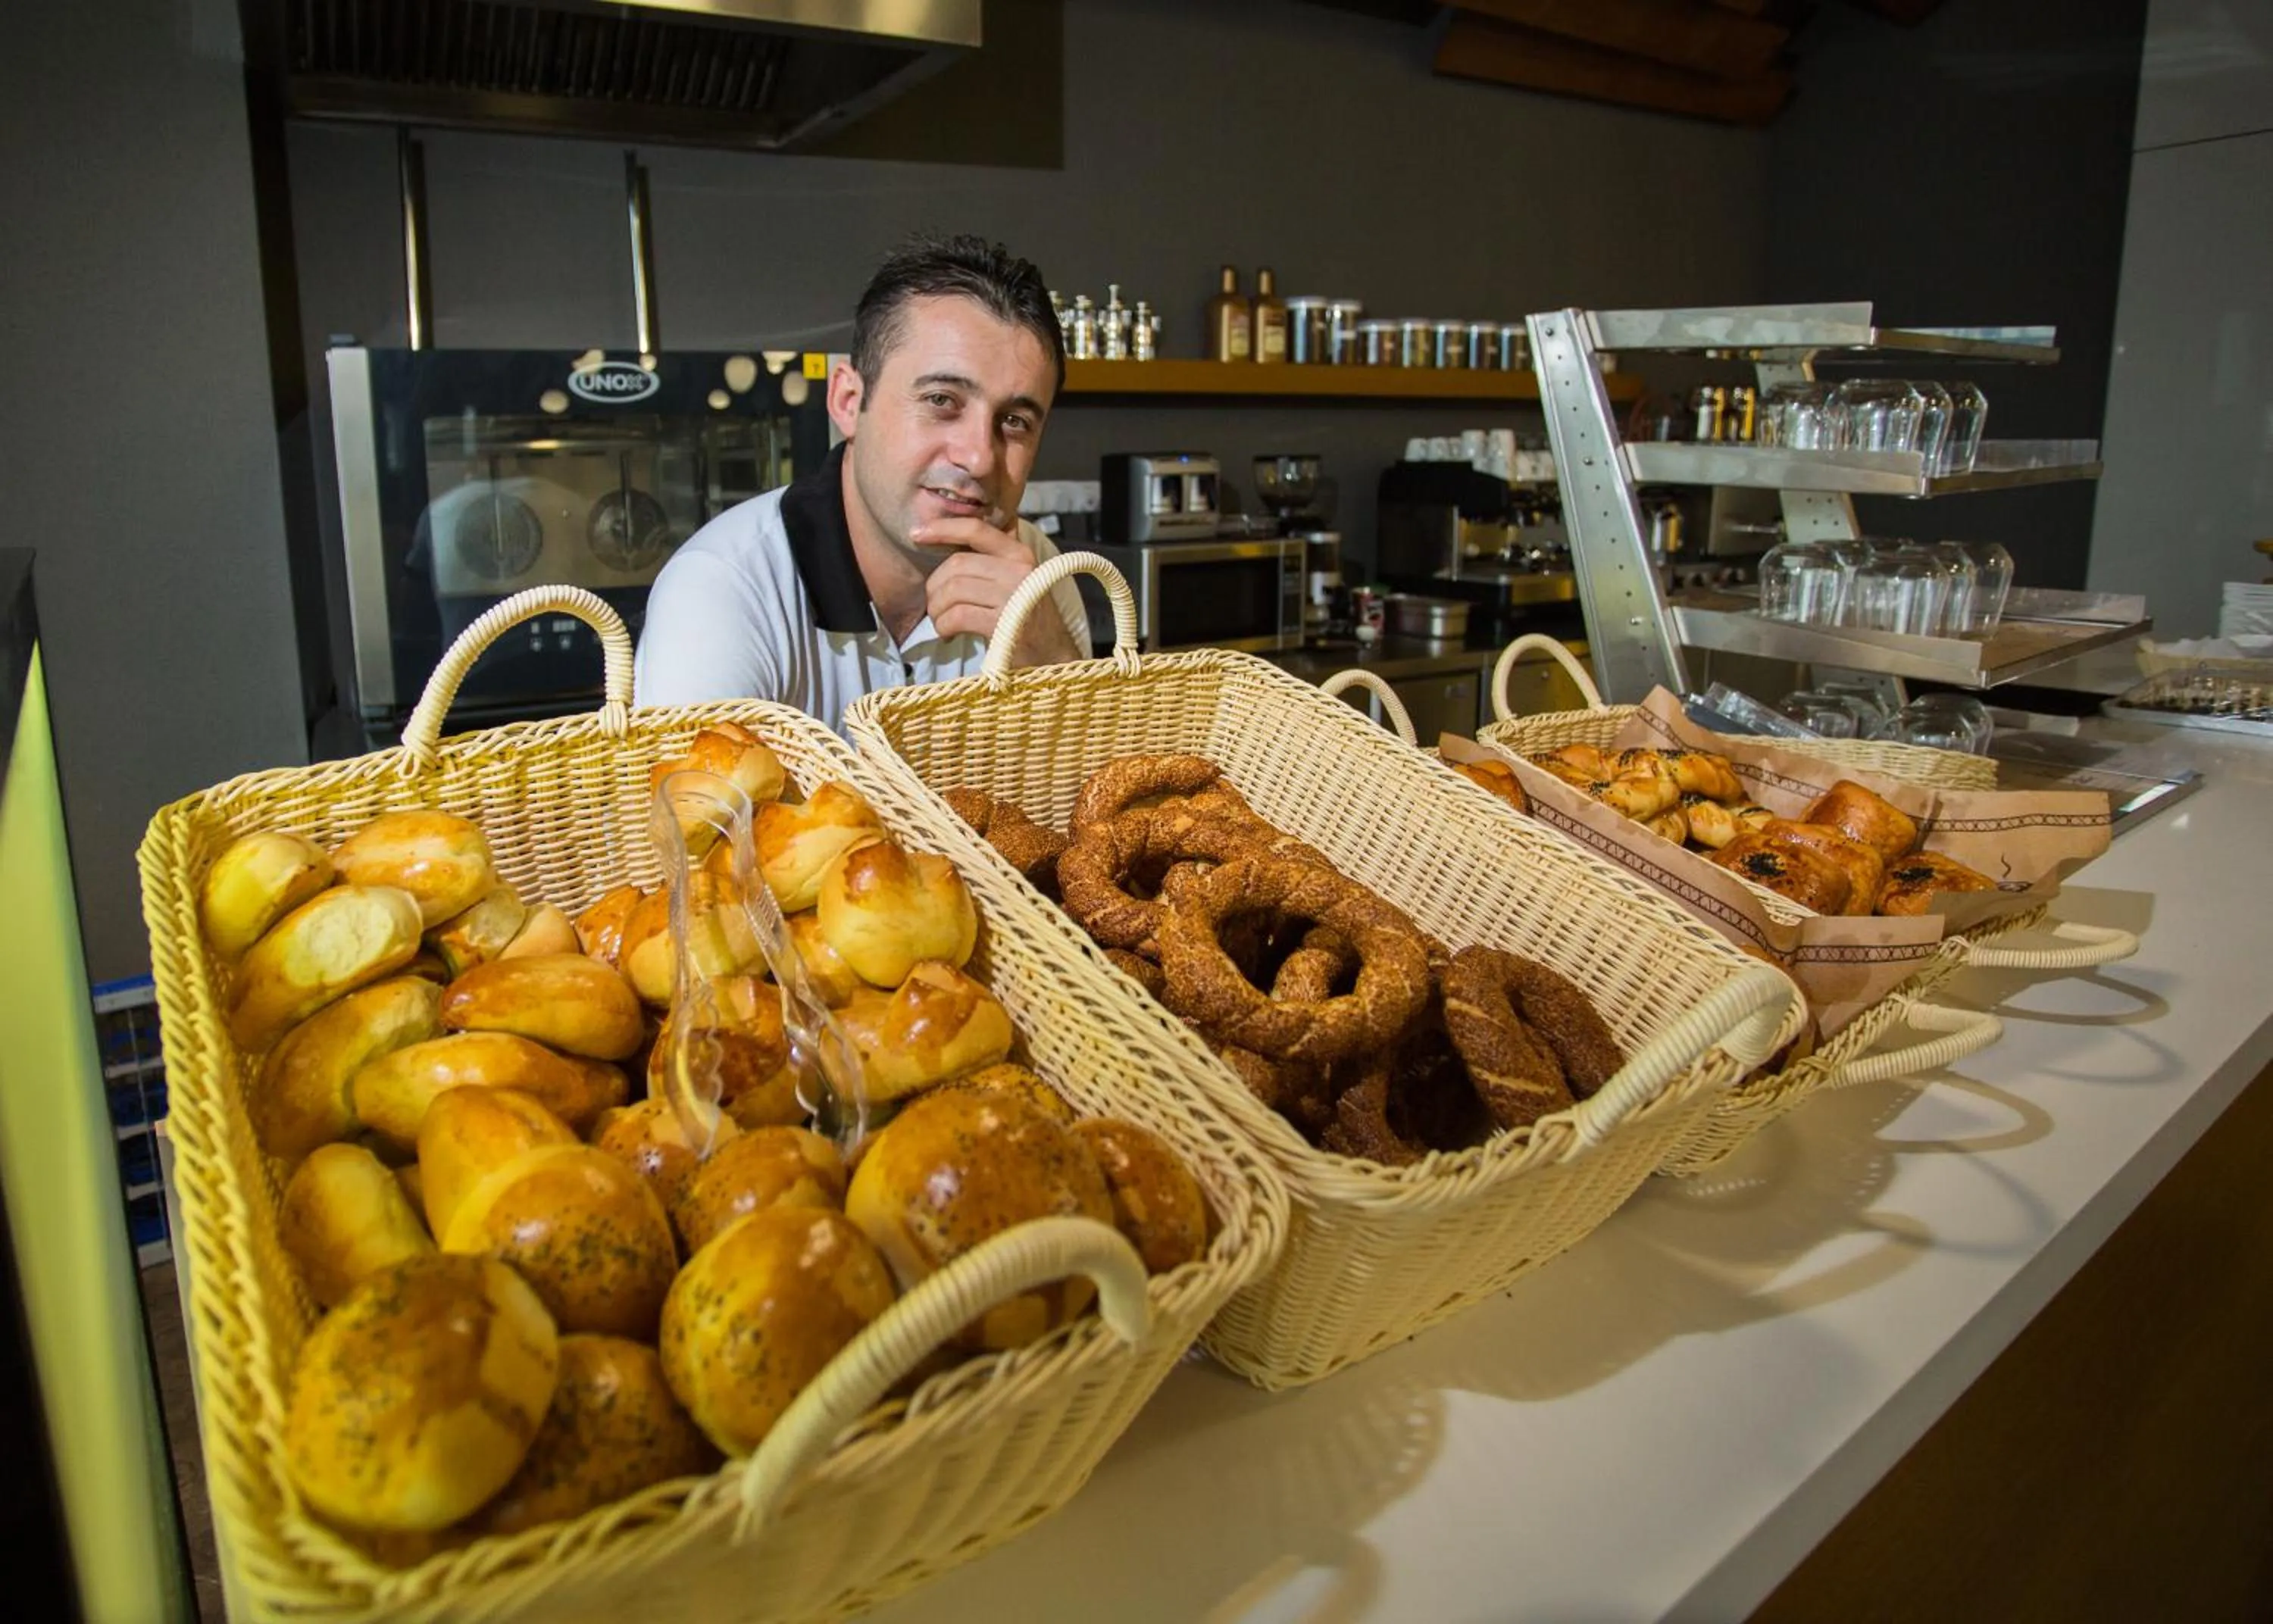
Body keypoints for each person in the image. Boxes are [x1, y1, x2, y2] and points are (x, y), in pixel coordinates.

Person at [633, 233, 1090, 733]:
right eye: (942, 401)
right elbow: (697, 809)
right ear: (849, 402)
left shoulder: (1036, 577)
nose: (979, 457)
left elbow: (1093, 803)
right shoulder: (726, 587)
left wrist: (1056, 661)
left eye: (1015, 422)